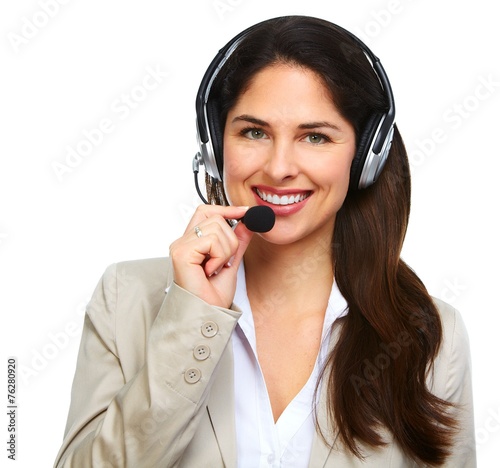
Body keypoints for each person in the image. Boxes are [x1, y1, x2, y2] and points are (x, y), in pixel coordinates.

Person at [54, 15, 476, 467]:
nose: (279, 168)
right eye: (254, 132)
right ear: (216, 149)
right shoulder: (126, 299)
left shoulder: (429, 334)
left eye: (315, 137)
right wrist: (193, 319)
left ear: (364, 157)